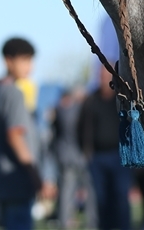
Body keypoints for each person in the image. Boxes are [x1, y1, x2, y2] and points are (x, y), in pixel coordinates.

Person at [0, 38, 42, 230]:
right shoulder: (13, 93)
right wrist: (33, 173)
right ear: (8, 61)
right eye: (24, 60)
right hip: (16, 180)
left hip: (0, 181)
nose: (30, 67)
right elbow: (15, 135)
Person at [79, 68, 132, 230]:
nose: (102, 79)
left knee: (121, 198)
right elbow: (80, 128)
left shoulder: (122, 99)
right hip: (97, 158)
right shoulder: (90, 100)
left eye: (105, 75)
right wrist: (86, 151)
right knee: (101, 200)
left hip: (120, 156)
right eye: (100, 75)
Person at [50, 87, 96, 229]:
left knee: (66, 191)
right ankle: (91, 222)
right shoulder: (79, 110)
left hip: (65, 155)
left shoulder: (59, 110)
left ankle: (65, 221)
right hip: (80, 156)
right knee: (89, 191)